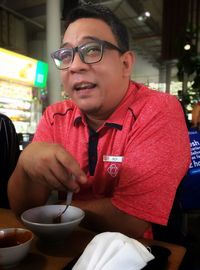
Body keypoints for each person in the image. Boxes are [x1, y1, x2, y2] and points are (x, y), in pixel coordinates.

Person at [8, 3, 191, 239]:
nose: (75, 66)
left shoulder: (157, 110)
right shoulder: (55, 117)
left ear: (125, 64)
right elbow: (24, 209)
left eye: (92, 50)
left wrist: (56, 212)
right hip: (65, 246)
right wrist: (25, 165)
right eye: (65, 55)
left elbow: (130, 220)